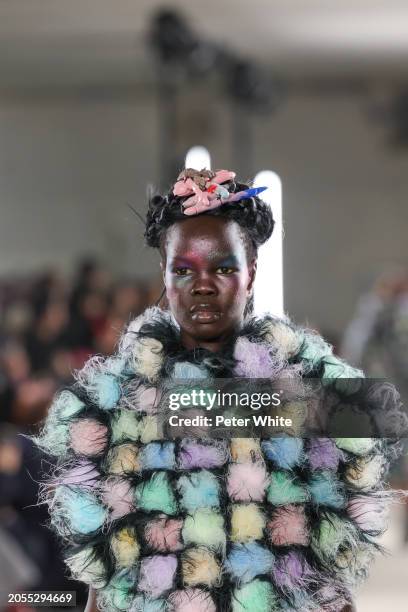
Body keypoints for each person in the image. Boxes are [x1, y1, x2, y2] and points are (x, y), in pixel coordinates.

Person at [36, 168, 402, 611]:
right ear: (164, 275)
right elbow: (105, 571)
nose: (203, 285)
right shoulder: (111, 402)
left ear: (251, 272)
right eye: (184, 269)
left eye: (223, 267)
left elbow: (334, 565)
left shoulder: (315, 385)